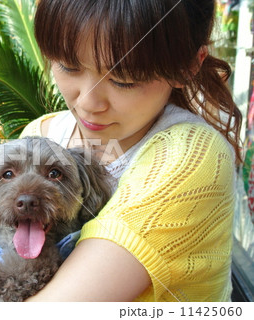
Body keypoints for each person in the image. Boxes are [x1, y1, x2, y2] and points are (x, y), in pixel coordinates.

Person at [20, 0, 242, 301]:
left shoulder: (192, 157)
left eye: (124, 81)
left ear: (190, 65)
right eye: (69, 66)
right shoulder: (40, 133)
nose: (87, 103)